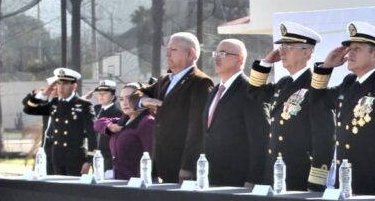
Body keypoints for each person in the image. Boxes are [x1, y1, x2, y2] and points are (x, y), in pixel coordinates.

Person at [309, 21, 375, 196]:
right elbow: (317, 100)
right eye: (350, 48)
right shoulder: (349, 83)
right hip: (345, 181)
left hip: (371, 186)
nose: (350, 53)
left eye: (357, 49)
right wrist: (326, 67)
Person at [248, 21, 336, 191]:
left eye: (289, 47)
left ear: (307, 53)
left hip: (299, 174)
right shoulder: (283, 83)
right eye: (281, 47)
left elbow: (324, 138)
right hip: (274, 171)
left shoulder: (315, 87)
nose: (282, 51)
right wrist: (266, 63)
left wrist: (316, 181)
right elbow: (253, 94)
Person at [137, 32, 214, 183]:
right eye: (167, 49)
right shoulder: (164, 80)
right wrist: (145, 101)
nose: (167, 54)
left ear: (190, 53)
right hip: (160, 161)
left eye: (173, 50)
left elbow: (197, 129)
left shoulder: (200, 82)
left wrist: (188, 166)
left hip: (180, 165)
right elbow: (135, 95)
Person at [201, 39, 269, 187]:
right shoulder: (215, 91)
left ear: (239, 59)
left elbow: (260, 140)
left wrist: (253, 180)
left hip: (237, 181)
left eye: (223, 53)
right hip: (211, 178)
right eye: (216, 53)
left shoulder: (250, 91)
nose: (217, 57)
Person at [21, 68, 96, 175]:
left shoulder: (84, 105)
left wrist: (89, 160)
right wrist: (43, 95)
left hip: (75, 160)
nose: (61, 87)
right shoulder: (55, 103)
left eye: (65, 84)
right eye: (59, 83)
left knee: (72, 191)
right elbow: (29, 109)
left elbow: (92, 135)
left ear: (74, 86)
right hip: (56, 158)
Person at [95, 87, 154, 180]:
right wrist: (109, 126)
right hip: (119, 182)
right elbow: (98, 123)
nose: (124, 103)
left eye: (130, 98)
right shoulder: (122, 121)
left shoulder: (146, 122)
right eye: (122, 99)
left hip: (137, 184)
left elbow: (151, 157)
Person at [22, 75, 59, 174]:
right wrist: (38, 93)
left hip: (61, 149)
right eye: (52, 87)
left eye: (57, 86)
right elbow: (26, 104)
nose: (54, 89)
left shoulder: (70, 104)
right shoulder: (47, 102)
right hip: (46, 146)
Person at [88, 79, 122, 176]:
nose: (101, 96)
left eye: (105, 93)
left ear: (113, 96)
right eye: (99, 93)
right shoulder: (96, 109)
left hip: (108, 155)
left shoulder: (118, 112)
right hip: (95, 153)